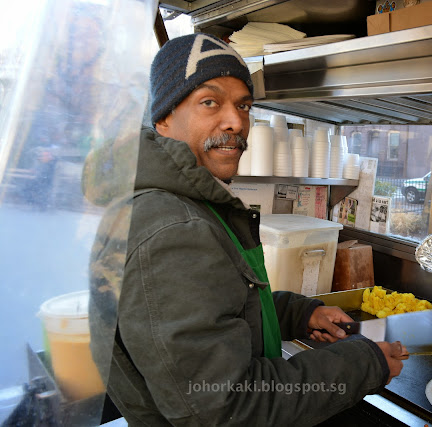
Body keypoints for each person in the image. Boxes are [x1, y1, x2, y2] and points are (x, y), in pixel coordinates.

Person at [88, 33, 408, 426]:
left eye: (244, 105)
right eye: (210, 102)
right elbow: (229, 406)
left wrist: (298, 313)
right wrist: (364, 362)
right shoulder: (173, 228)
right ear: (164, 116)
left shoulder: (186, 203)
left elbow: (214, 307)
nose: (236, 121)